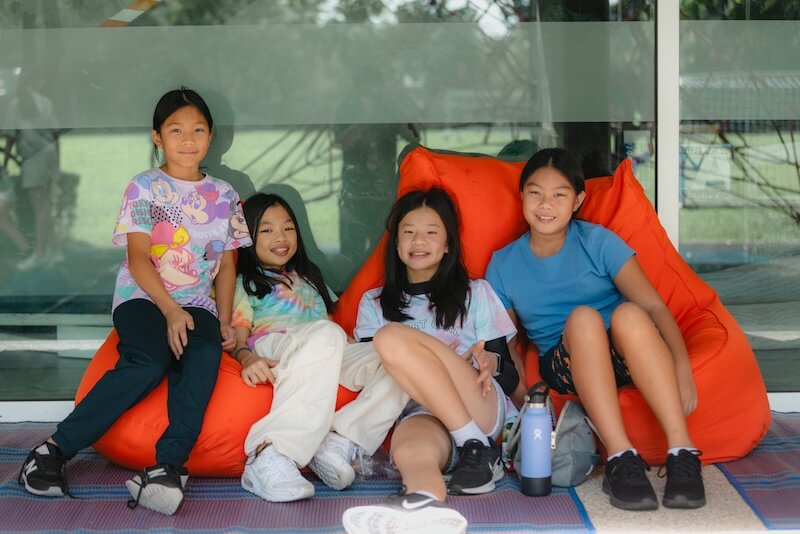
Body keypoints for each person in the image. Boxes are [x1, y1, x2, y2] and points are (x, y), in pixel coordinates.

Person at [17, 88, 250, 516]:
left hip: (197, 301)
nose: (187, 139)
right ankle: (50, 452)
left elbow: (228, 266)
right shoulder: (145, 186)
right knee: (150, 358)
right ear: (157, 136)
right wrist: (169, 310)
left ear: (211, 136)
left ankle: (167, 467)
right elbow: (139, 259)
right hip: (143, 295)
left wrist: (219, 317)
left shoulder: (225, 194)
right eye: (175, 129)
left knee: (202, 357)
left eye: (198, 130)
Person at [485, 148, 705, 511]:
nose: (546, 204)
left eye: (560, 195)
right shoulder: (504, 263)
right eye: (536, 192)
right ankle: (621, 457)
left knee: (631, 315)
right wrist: (525, 400)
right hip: (566, 361)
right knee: (584, 318)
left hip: (625, 352)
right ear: (521, 195)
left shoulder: (597, 242)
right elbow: (509, 343)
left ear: (578, 201)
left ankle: (682, 451)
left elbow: (654, 307)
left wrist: (682, 368)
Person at [342, 188, 520, 534]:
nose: (418, 240)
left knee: (390, 338)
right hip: (418, 411)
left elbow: (508, 375)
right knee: (411, 454)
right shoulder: (374, 303)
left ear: (448, 244)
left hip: (475, 402)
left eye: (431, 232)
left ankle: (476, 444)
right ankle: (422, 508)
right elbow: (371, 378)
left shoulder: (476, 293)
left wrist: (489, 364)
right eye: (408, 232)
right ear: (395, 244)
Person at [232, 193, 409, 503]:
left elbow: (329, 326)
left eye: (288, 228)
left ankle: (339, 440)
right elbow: (238, 336)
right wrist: (246, 358)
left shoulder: (310, 276)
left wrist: (357, 350)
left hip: (325, 345)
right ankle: (269, 452)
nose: (281, 237)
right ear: (248, 238)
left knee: (403, 357)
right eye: (267, 230)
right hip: (276, 344)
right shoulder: (244, 282)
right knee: (327, 334)